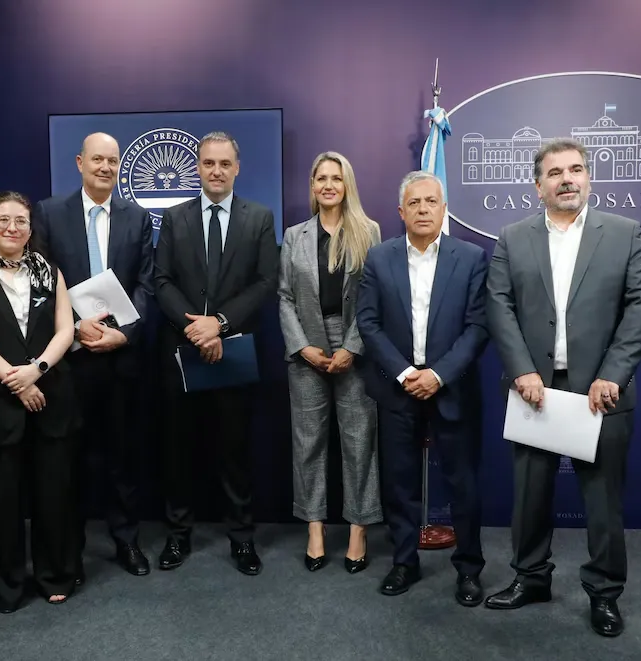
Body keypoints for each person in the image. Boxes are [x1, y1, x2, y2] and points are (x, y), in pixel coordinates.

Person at [484, 139, 641, 637]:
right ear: (538, 185)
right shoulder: (512, 237)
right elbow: (498, 305)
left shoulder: (624, 233)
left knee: (603, 502)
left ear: (588, 178)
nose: (567, 179)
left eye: (576, 169)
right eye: (555, 172)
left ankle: (604, 593)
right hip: (533, 389)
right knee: (529, 496)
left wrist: (613, 374)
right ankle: (530, 578)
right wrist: (522, 370)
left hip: (600, 391)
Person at [356, 171, 489, 605]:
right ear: (401, 211)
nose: (423, 209)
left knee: (463, 484)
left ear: (443, 208)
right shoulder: (379, 258)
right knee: (400, 483)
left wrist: (438, 375)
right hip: (398, 390)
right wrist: (403, 373)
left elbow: (478, 326)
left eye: (431, 201)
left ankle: (468, 569)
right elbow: (368, 323)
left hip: (453, 388)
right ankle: (404, 562)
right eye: (414, 203)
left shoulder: (471, 257)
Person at [154, 131, 279, 575]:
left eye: (225, 164)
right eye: (208, 163)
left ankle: (242, 539)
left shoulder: (259, 217)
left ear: (237, 168)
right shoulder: (175, 218)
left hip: (234, 349)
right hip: (182, 351)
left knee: (235, 452)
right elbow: (161, 280)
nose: (217, 171)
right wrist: (196, 329)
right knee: (178, 452)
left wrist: (220, 324)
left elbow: (265, 281)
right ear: (197, 167)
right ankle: (177, 536)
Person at [31, 132, 154, 580]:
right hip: (70, 360)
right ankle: (71, 550)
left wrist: (125, 334)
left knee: (124, 457)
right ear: (80, 162)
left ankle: (126, 540)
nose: (105, 167)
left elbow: (147, 283)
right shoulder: (49, 213)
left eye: (113, 160)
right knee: (71, 459)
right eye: (97, 159)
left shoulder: (137, 217)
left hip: (122, 360)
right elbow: (40, 279)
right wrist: (74, 327)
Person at [0, 191, 77, 612]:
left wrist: (36, 370)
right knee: (1, 500)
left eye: (20, 220)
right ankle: (7, 586)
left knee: (53, 495)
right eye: (3, 220)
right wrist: (17, 380)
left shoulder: (49, 272)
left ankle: (54, 575)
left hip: (51, 398)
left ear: (30, 228)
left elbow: (66, 330)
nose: (12, 227)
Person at [278, 151, 382, 573]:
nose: (328, 185)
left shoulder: (368, 232)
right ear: (312, 185)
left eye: (336, 178)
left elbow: (375, 296)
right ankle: (315, 528)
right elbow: (284, 295)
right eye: (321, 178)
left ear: (346, 185)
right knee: (308, 443)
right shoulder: (294, 235)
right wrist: (302, 346)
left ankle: (359, 529)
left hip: (354, 344)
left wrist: (352, 347)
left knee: (359, 442)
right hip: (307, 346)